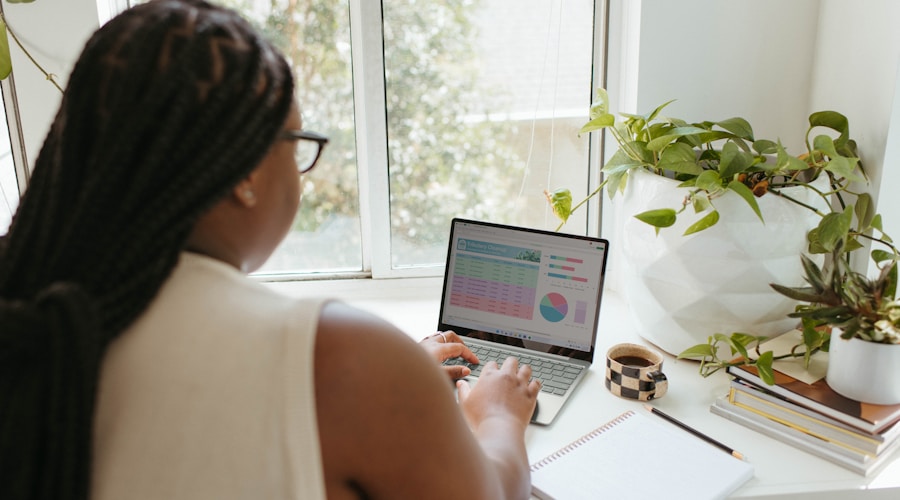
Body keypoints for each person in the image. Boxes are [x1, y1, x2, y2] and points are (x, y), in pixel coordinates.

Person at [0, 1, 540, 499]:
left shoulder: (30, 301)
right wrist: (498, 416)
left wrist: (394, 385)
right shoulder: (349, 361)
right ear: (247, 173)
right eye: (298, 142)